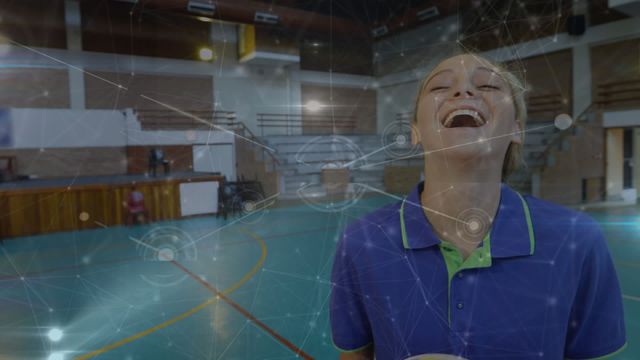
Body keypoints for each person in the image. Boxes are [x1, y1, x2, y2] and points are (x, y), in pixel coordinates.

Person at [330, 53, 626, 360]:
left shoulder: (578, 239)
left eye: (488, 85)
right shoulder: (361, 241)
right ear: (415, 131)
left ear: (517, 130)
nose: (464, 91)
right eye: (440, 87)